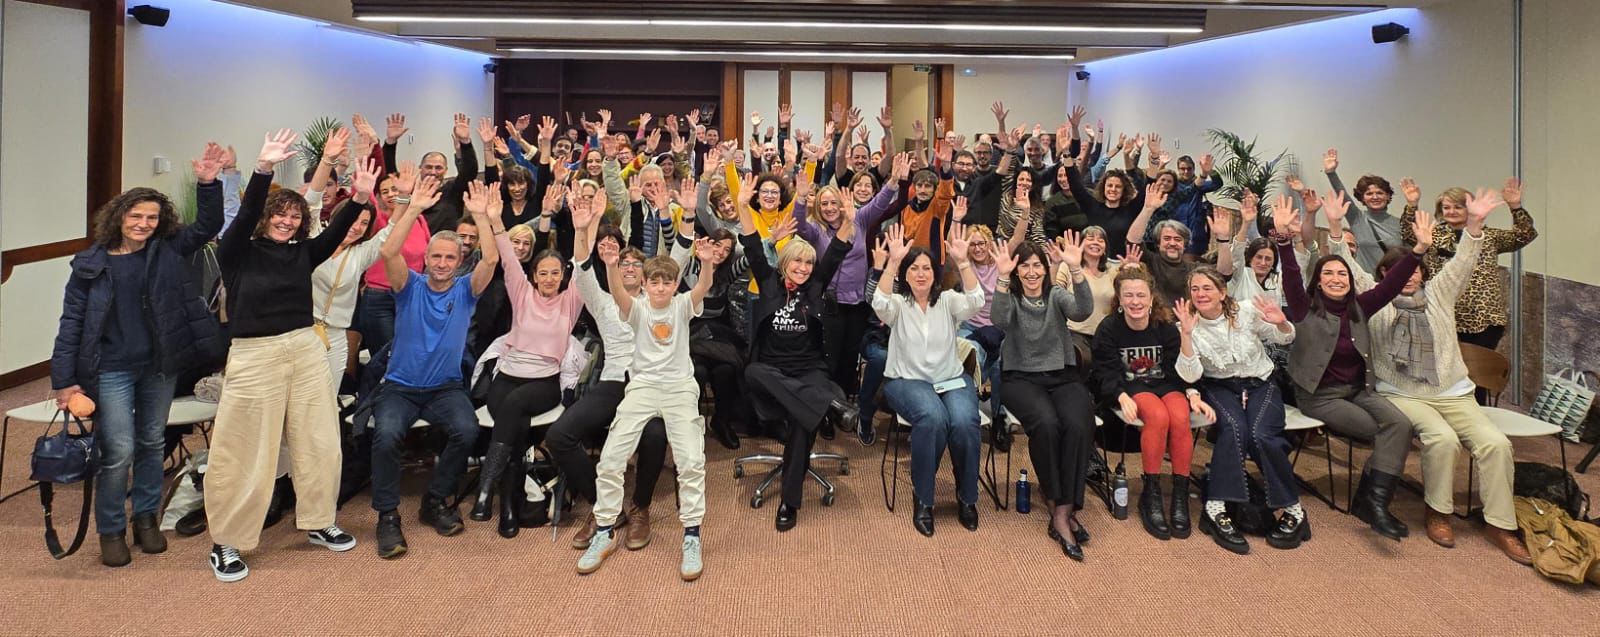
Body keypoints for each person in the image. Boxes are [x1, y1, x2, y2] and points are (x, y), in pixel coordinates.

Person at [51, 144, 227, 568]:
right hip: (110, 368)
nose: (144, 224)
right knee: (118, 449)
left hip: (159, 365)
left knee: (151, 442)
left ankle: (145, 518)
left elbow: (209, 224)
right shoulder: (90, 264)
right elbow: (71, 323)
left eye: (151, 217)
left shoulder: (166, 250)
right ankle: (111, 529)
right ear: (119, 218)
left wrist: (208, 183)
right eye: (136, 217)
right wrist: (63, 379)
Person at [204, 130, 366, 581]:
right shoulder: (237, 252)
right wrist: (262, 170)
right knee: (246, 448)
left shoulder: (303, 253)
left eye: (295, 216)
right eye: (281, 214)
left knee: (318, 440)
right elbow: (248, 211)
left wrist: (360, 194)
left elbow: (334, 234)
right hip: (255, 354)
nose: (288, 221)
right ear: (265, 219)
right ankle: (228, 541)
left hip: (305, 347)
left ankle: (318, 521)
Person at [1349, 187, 1533, 564]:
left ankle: (1500, 523)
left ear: (1423, 273)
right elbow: (1348, 272)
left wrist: (1476, 224)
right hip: (1404, 393)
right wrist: (1336, 229)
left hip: (1453, 391)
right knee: (1442, 439)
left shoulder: (1439, 295)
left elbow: (1463, 262)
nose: (1409, 277)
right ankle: (1439, 511)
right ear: (1384, 276)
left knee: (1495, 443)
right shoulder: (1376, 302)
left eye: (1415, 271)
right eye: (1397, 273)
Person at [576, 227, 719, 582]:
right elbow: (617, 296)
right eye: (653, 282)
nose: (659, 288)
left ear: (674, 285)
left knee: (690, 462)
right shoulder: (636, 308)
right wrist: (610, 265)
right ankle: (605, 530)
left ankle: (691, 536)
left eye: (666, 283)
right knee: (610, 459)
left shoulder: (684, 305)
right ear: (644, 283)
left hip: (679, 389)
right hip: (641, 388)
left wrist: (706, 264)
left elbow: (701, 287)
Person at [1277, 192, 1422, 541]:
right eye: (1329, 273)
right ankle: (1373, 503)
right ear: (1320, 279)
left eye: (1342, 273)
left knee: (1400, 425)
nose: (1337, 278)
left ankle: (1372, 502)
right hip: (1320, 396)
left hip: (1358, 390)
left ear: (1351, 279)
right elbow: (1293, 277)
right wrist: (1285, 241)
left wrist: (1418, 251)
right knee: (1382, 431)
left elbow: (1390, 286)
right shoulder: (1303, 307)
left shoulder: (1361, 306)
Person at [368, 177, 498, 559]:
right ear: (426, 259)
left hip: (445, 388)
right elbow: (390, 253)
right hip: (400, 387)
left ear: (460, 263)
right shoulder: (409, 286)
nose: (442, 263)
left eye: (450, 258)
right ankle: (387, 516)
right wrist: (412, 209)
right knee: (387, 436)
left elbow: (490, 259)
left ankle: (436, 500)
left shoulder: (466, 291)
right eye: (436, 257)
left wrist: (481, 218)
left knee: (467, 429)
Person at [552, 198, 671, 553]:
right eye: (624, 262)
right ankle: (605, 506)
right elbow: (581, 269)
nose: (630, 267)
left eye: (637, 263)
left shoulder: (659, 303)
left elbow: (678, 259)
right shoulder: (603, 302)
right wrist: (581, 229)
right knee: (560, 435)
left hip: (649, 385)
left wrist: (677, 215)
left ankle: (641, 507)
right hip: (614, 381)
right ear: (615, 268)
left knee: (654, 434)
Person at [739, 178, 858, 531]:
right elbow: (752, 247)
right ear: (786, 262)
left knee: (803, 425)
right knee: (752, 372)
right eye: (798, 263)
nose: (804, 269)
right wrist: (744, 207)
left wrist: (849, 221)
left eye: (809, 264)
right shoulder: (769, 282)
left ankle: (790, 504)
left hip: (809, 372)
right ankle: (830, 407)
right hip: (772, 375)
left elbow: (835, 251)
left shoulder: (816, 287)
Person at [472, 183, 585, 538]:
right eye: (543, 273)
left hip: (543, 384)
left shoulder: (570, 301)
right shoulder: (521, 294)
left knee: (515, 406)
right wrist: (494, 221)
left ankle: (485, 491)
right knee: (516, 429)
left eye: (556, 273)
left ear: (563, 277)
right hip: (506, 377)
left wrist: (583, 227)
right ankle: (507, 506)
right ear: (533, 277)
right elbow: (507, 257)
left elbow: (583, 262)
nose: (550, 278)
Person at [1174, 267, 1302, 555]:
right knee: (1233, 429)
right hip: (1220, 387)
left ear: (1222, 292)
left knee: (1261, 435)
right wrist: (1186, 334)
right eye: (1195, 289)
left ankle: (1293, 509)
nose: (1200, 294)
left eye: (1207, 288)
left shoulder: (1245, 311)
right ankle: (1216, 507)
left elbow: (1284, 338)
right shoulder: (1188, 323)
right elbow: (1191, 375)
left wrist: (1281, 324)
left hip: (1260, 384)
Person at [873, 222, 986, 537]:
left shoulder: (948, 301)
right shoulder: (898, 305)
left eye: (926, 268)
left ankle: (967, 498)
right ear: (906, 275)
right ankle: (924, 498)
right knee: (933, 417)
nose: (921, 273)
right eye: (914, 269)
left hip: (950, 378)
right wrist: (893, 262)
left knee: (964, 421)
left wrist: (963, 262)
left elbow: (976, 301)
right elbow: (879, 304)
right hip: (906, 381)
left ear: (935, 274)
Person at [992, 234, 1096, 559]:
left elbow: (1082, 311)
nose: (1032, 272)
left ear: (1045, 269)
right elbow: (998, 320)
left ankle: (1063, 508)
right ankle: (1058, 506)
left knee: (1079, 423)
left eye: (1037, 265)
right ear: (1017, 271)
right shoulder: (1011, 298)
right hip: (1019, 378)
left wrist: (1076, 269)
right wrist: (1000, 277)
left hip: (1061, 375)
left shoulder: (1056, 296)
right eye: (1025, 266)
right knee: (1047, 424)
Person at [1092, 267, 1210, 542]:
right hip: (1132, 388)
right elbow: (1104, 371)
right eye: (1129, 295)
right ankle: (1151, 494)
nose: (1135, 301)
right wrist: (1119, 396)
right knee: (1157, 416)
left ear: (1151, 298)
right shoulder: (1109, 329)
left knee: (1180, 416)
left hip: (1166, 385)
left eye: (1141, 295)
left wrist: (1192, 392)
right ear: (1119, 299)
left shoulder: (1165, 327)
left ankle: (1179, 495)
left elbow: (1179, 370)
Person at [1399, 177, 1537, 352]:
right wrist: (1412, 204)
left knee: (1477, 372)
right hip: (1443, 315)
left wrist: (1515, 207)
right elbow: (1407, 233)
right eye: (1446, 207)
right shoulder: (1432, 234)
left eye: (1458, 206)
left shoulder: (1489, 236)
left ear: (1469, 209)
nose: (1452, 211)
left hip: (1483, 318)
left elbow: (1525, 235)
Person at [1321, 148, 1400, 272]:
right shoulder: (1357, 218)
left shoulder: (1399, 224)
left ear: (1388, 196)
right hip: (1363, 282)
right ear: (1362, 197)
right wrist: (1331, 173)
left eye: (1380, 193)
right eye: (1369, 193)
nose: (1375, 197)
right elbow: (1343, 196)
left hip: (1392, 283)